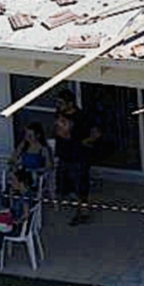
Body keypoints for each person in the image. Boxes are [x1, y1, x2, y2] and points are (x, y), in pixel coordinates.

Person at [56, 89, 98, 225]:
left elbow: (96, 133)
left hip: (79, 157)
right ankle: (78, 207)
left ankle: (82, 212)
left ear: (70, 103)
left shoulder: (82, 116)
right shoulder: (59, 114)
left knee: (81, 185)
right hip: (64, 155)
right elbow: (60, 132)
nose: (59, 105)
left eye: (61, 103)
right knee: (66, 186)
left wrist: (86, 141)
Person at [0, 168, 36, 268]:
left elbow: (26, 215)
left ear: (21, 182)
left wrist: (15, 221)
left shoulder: (25, 197)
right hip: (14, 222)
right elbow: (12, 208)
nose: (11, 183)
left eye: (13, 180)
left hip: (18, 228)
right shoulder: (25, 193)